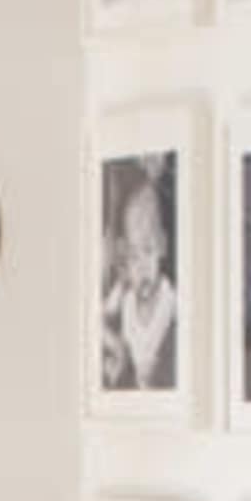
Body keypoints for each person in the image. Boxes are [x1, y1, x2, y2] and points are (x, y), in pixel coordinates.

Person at [100, 168, 177, 392]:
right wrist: (116, 347)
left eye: (148, 250)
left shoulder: (170, 298)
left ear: (162, 246)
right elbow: (98, 320)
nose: (141, 265)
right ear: (124, 254)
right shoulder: (124, 294)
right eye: (133, 254)